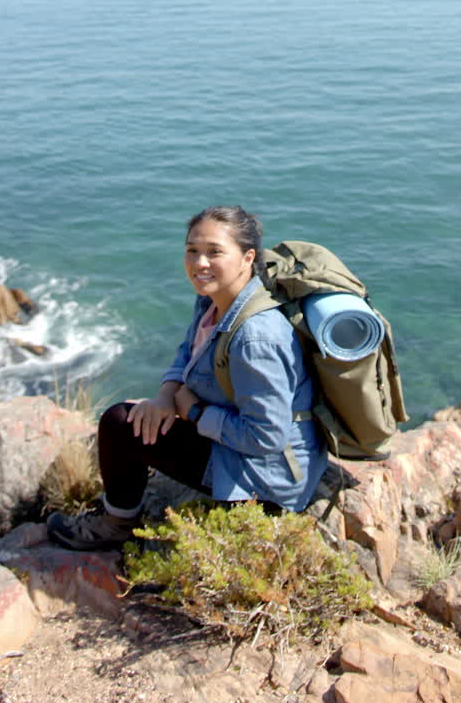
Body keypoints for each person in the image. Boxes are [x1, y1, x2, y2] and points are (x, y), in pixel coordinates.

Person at [47, 205, 328, 550]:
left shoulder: (256, 338)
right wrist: (167, 394)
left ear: (247, 257)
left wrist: (193, 411)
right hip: (237, 445)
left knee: (121, 426)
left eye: (214, 252)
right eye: (192, 250)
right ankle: (119, 514)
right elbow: (188, 351)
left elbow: (265, 437)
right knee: (132, 419)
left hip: (269, 478)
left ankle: (116, 524)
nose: (199, 263)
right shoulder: (214, 300)